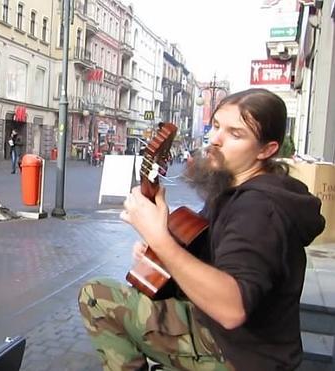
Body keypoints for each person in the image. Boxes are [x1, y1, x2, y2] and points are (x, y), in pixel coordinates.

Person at [78, 89, 325, 370]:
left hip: (237, 354)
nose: (215, 140)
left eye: (236, 134)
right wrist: (160, 245)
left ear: (266, 150)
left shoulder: (258, 210)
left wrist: (161, 242)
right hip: (238, 341)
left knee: (96, 295)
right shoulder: (235, 190)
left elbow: (232, 309)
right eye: (216, 126)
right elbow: (208, 254)